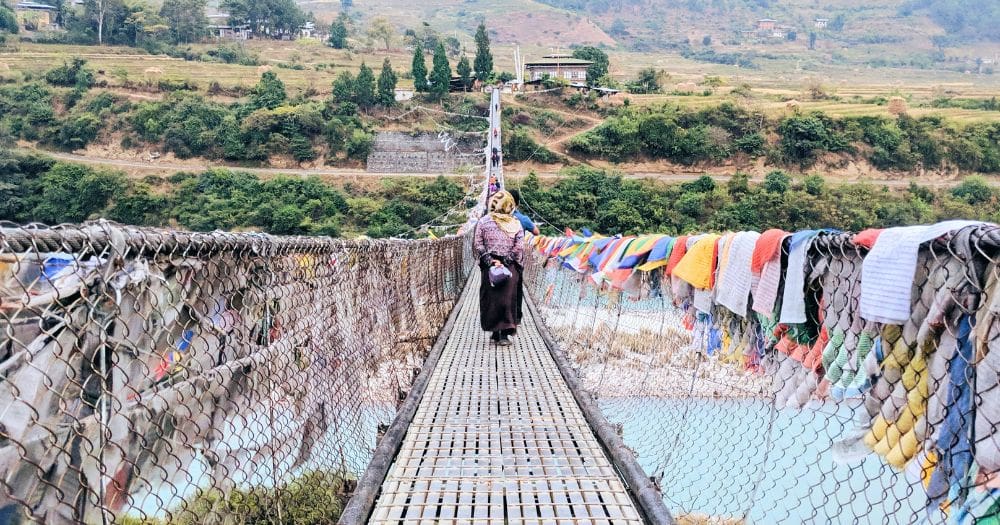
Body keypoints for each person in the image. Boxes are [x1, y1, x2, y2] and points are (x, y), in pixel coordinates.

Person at [474, 190, 525, 346]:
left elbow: (478, 244)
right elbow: (519, 246)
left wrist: (491, 261)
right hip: (509, 267)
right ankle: (503, 334)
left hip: (490, 267)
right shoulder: (516, 223)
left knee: (491, 298)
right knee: (507, 299)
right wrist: (506, 262)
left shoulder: (483, 221)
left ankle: (495, 332)